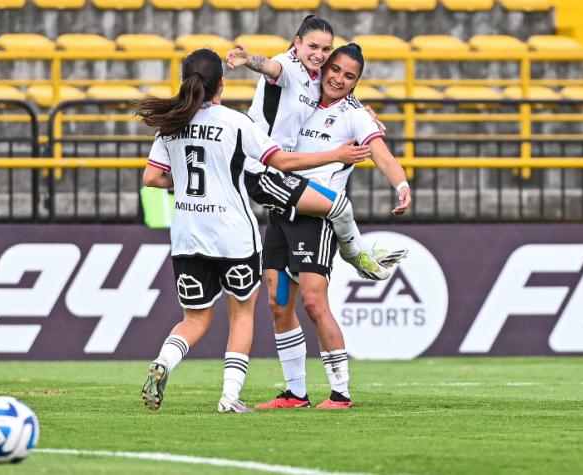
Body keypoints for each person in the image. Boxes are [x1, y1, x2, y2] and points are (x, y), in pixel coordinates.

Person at [134, 49, 371, 413]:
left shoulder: (171, 124)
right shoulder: (235, 123)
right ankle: (229, 397)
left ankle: (164, 362)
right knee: (242, 314)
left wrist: (182, 181)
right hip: (232, 234)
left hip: (186, 235)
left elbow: (152, 177)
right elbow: (283, 161)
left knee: (195, 318)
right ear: (222, 85)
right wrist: (335, 155)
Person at [253, 43, 411, 410]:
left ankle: (341, 392)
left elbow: (382, 155)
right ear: (324, 66)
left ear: (357, 81)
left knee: (313, 301)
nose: (339, 79)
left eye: (349, 75)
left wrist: (402, 186)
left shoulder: (355, 114)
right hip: (281, 212)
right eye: (335, 69)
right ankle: (295, 393)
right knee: (278, 304)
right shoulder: (302, 96)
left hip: (317, 220)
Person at [225, 15, 405, 281]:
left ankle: (309, 266)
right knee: (339, 207)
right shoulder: (289, 65)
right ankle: (354, 252)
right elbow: (272, 67)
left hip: (284, 175)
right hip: (263, 170)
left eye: (325, 49)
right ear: (297, 42)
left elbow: (344, 85)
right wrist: (249, 60)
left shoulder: (318, 74)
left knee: (281, 300)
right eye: (313, 46)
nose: (319, 55)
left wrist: (366, 113)